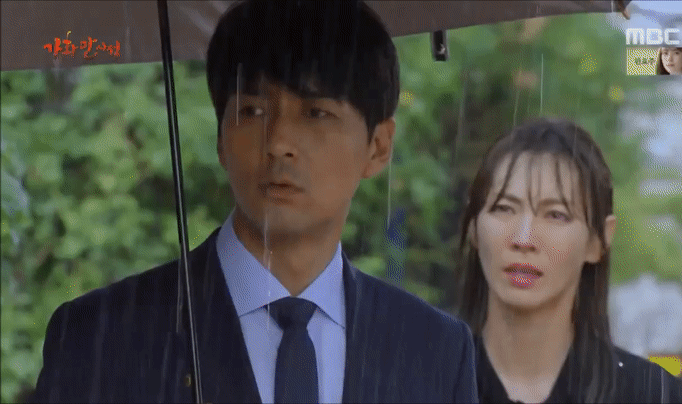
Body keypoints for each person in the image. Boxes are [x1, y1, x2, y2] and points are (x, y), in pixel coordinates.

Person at [30, 1, 478, 403]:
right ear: (221, 137)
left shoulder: (434, 351)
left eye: (315, 113)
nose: (278, 142)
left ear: (378, 146)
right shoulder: (103, 338)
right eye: (252, 111)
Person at [455, 118, 682, 403]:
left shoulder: (646, 394)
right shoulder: (425, 377)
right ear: (474, 227)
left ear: (598, 240)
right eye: (504, 208)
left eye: (556, 215)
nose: (524, 239)